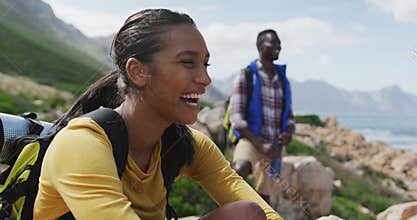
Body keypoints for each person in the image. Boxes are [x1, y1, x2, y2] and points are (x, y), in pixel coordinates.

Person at [33, 9, 283, 220]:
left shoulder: (185, 143)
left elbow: (261, 211)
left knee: (247, 213)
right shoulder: (82, 144)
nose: (205, 79)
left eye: (205, 64)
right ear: (138, 72)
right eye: (188, 62)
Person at [230, 29, 295, 204]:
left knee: (264, 194)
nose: (277, 47)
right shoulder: (247, 75)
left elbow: (289, 117)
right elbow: (236, 120)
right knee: (239, 170)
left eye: (279, 43)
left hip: (273, 145)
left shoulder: (282, 80)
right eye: (272, 43)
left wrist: (288, 134)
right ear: (259, 46)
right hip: (250, 139)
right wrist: (260, 144)